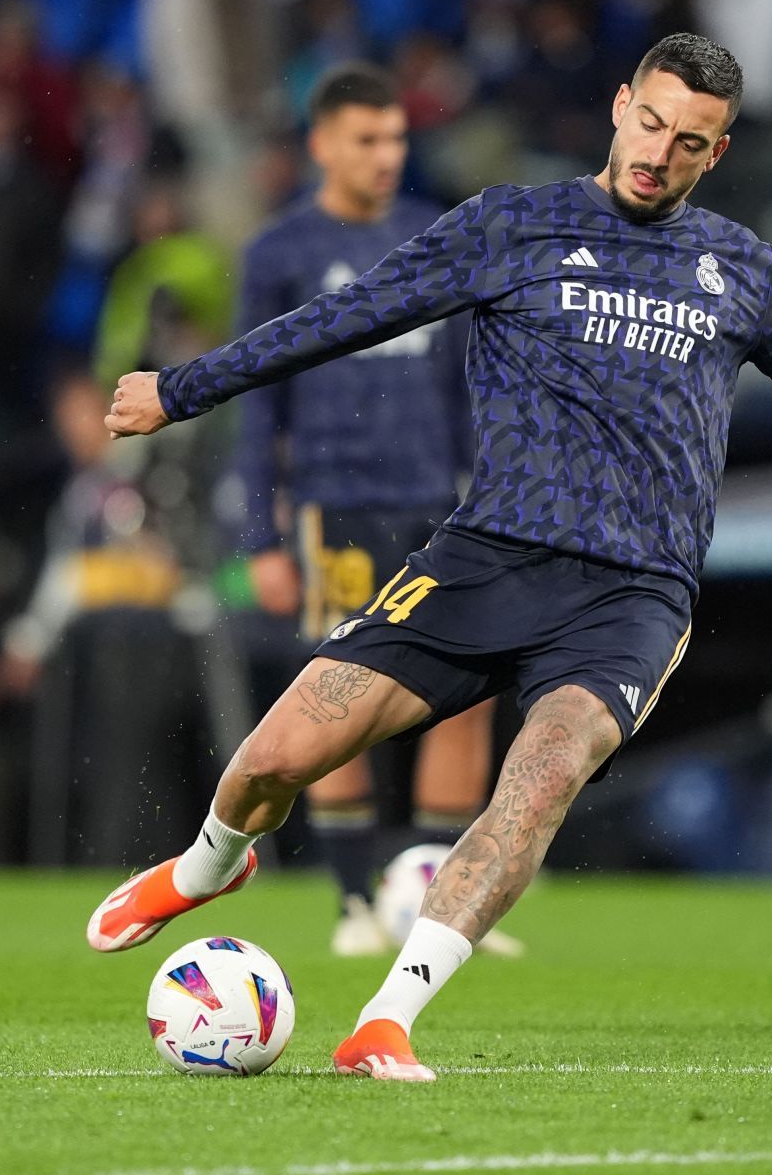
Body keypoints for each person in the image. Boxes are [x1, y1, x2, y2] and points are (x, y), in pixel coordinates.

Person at [88, 34, 772, 1081]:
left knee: (540, 778)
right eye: (649, 123)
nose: (659, 153)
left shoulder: (740, 270)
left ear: (715, 155)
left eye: (690, 143)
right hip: (486, 557)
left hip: (632, 594)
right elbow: (345, 318)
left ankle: (385, 1020)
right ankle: (206, 865)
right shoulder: (511, 225)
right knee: (276, 757)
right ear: (621, 102)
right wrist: (183, 390)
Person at [229, 64, 505, 957]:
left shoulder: (432, 236)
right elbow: (258, 405)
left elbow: (466, 383)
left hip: (435, 498)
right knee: (340, 693)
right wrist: (260, 537)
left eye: (396, 139)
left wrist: (489, 487)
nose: (387, 156)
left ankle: (423, 900)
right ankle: (355, 903)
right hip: (334, 501)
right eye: (367, 140)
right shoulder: (279, 254)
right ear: (321, 144)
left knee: (465, 695)